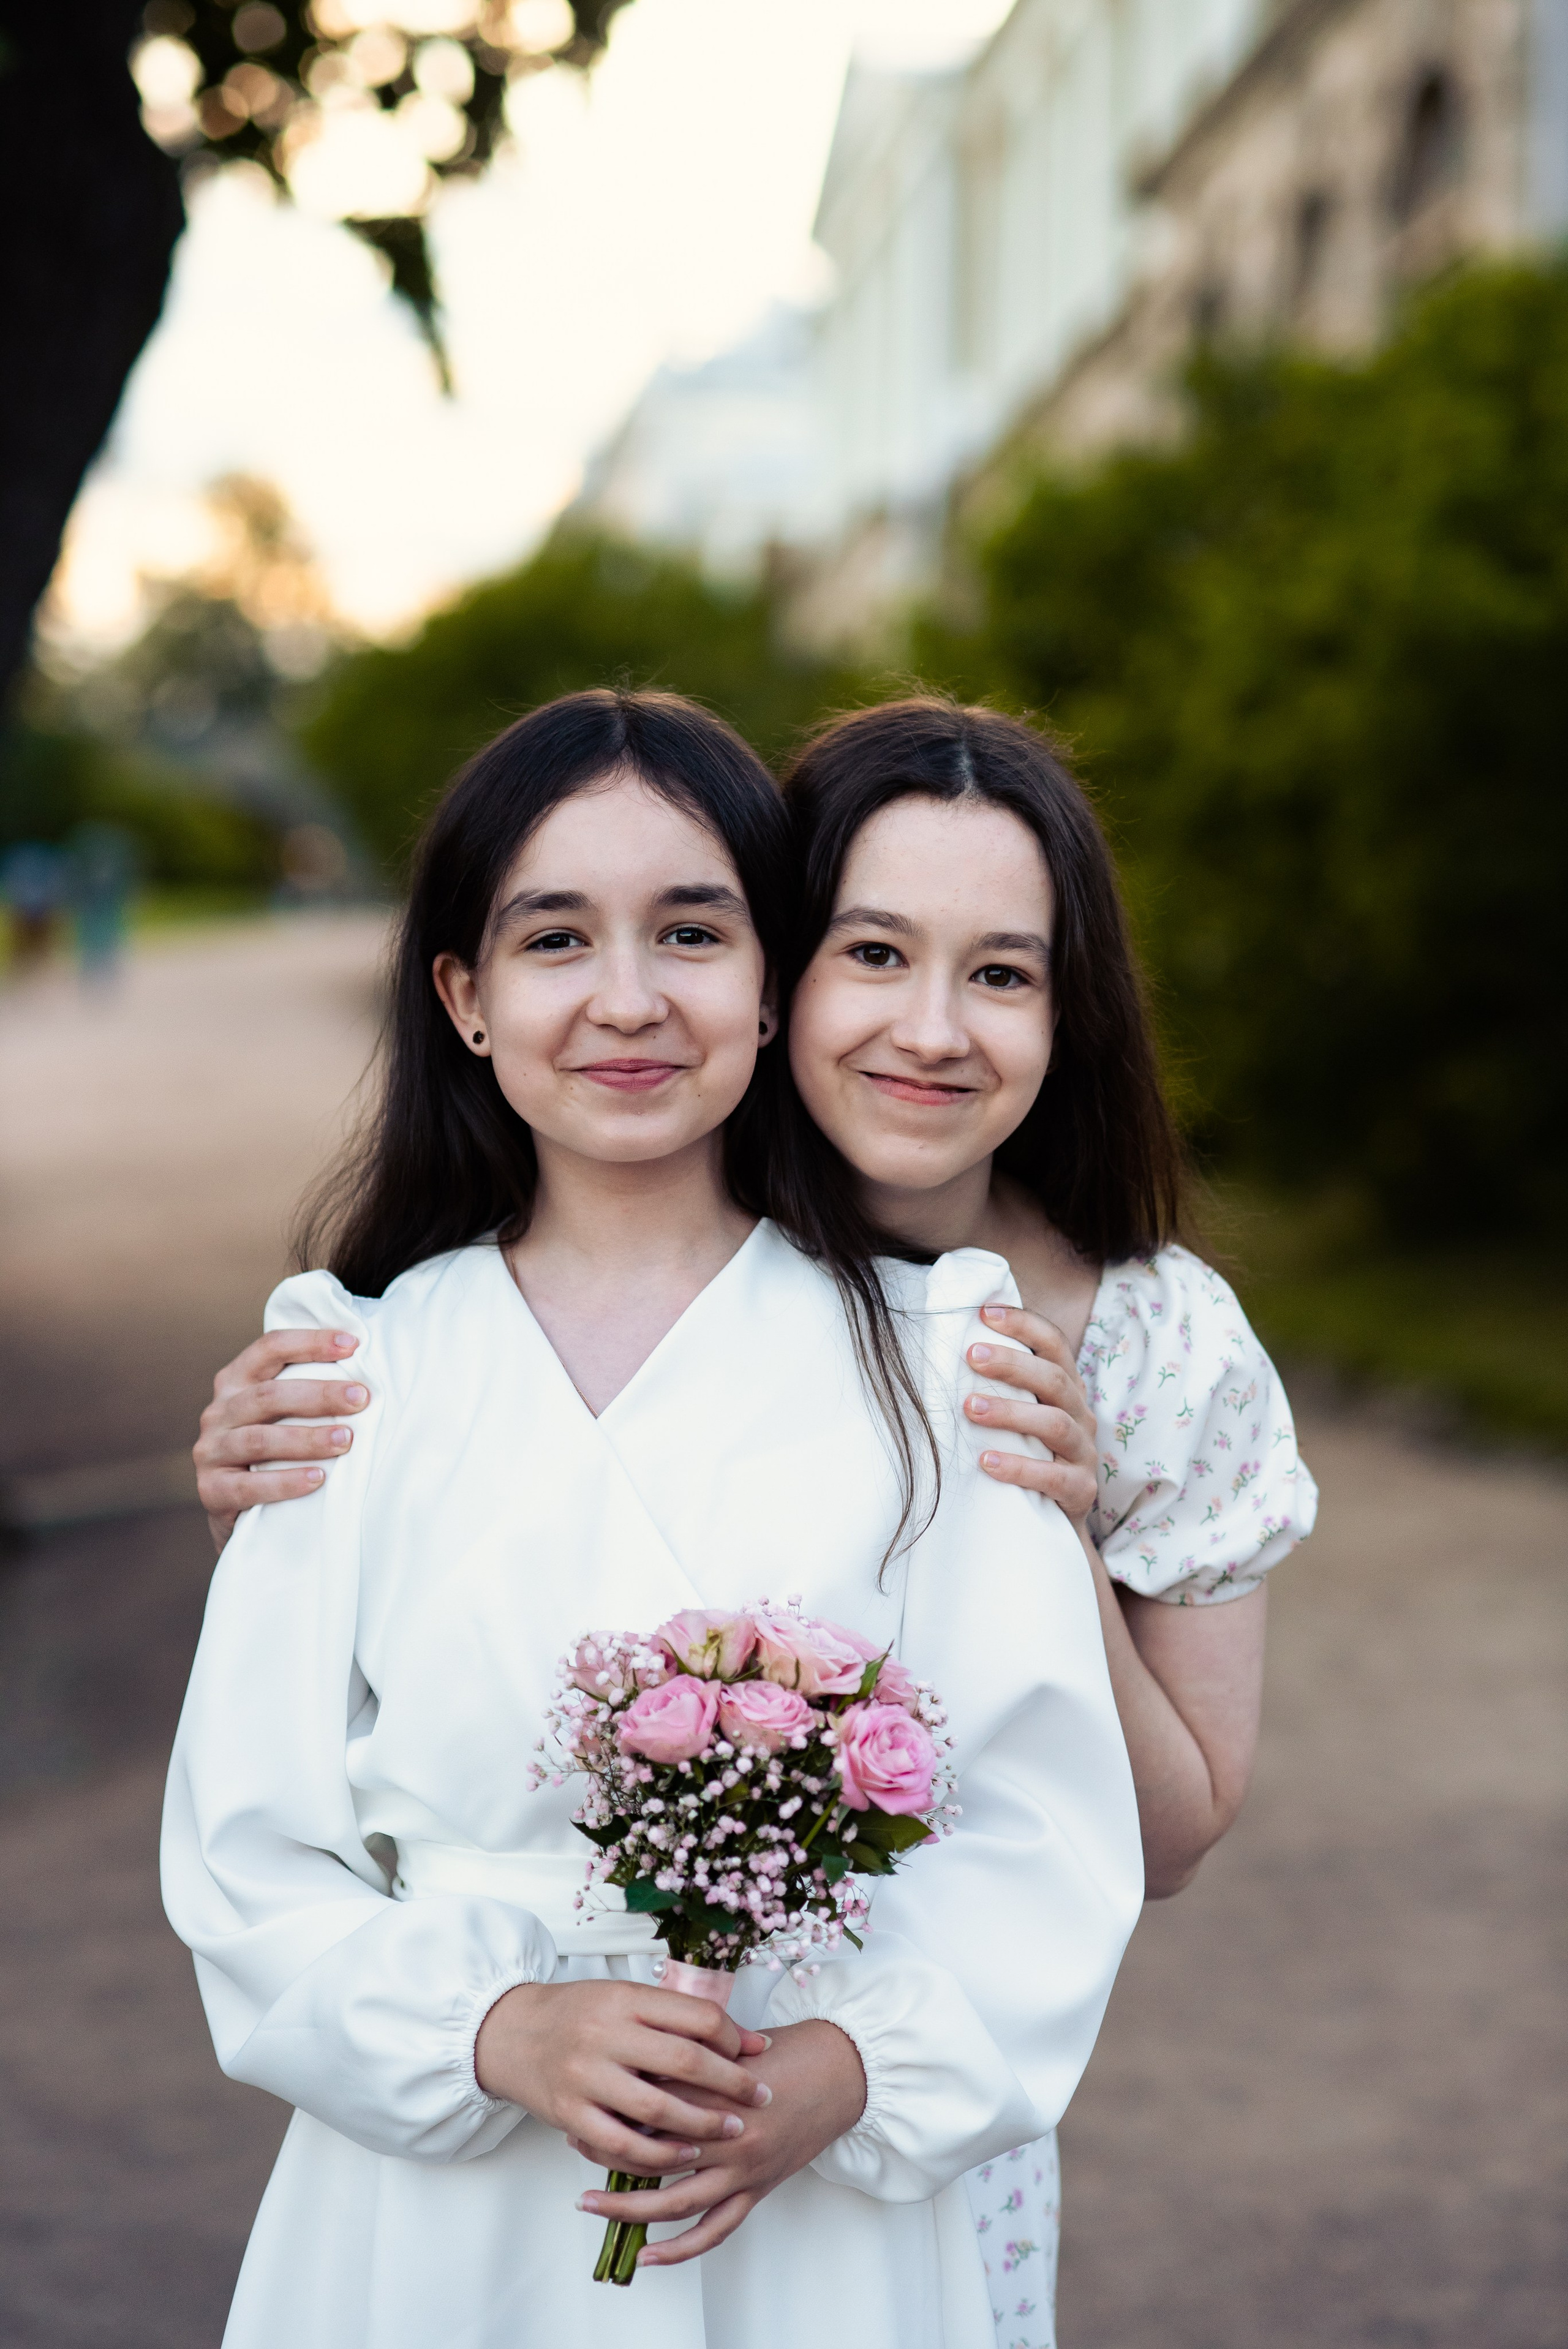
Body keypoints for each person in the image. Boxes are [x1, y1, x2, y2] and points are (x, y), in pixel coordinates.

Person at [194, 696, 1316, 2349]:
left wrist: (851, 2067)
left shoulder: (963, 1363)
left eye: (691, 932)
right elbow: (248, 1847)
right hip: (435, 2203)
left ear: (761, 980)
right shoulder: (354, 1368)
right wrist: (499, 2030)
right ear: (464, 997)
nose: (629, 997)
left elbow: (1060, 1834)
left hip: (823, 2183)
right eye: (555, 937)